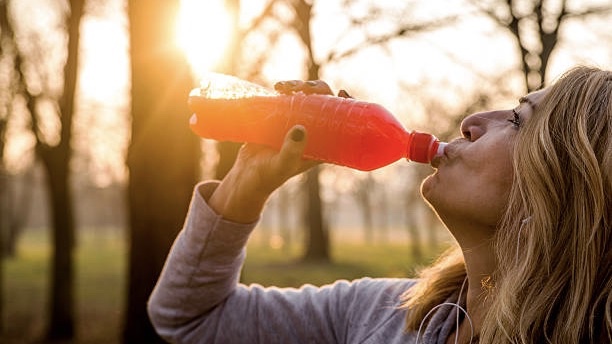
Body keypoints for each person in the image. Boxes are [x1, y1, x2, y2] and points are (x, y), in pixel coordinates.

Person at [147, 66, 611, 343]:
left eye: (516, 120)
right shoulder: (384, 315)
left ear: (561, 192)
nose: (471, 121)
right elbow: (191, 318)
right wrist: (245, 184)